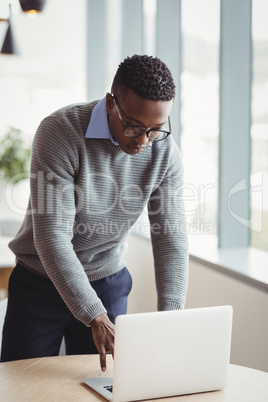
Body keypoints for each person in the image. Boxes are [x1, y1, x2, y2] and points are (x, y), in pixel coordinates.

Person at [1, 54, 189, 371]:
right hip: (39, 284)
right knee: (19, 383)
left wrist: (170, 316)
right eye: (133, 126)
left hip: (108, 280)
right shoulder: (60, 132)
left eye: (156, 129)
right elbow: (52, 237)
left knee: (105, 384)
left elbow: (170, 237)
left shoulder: (164, 153)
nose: (144, 141)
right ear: (110, 104)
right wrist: (93, 313)